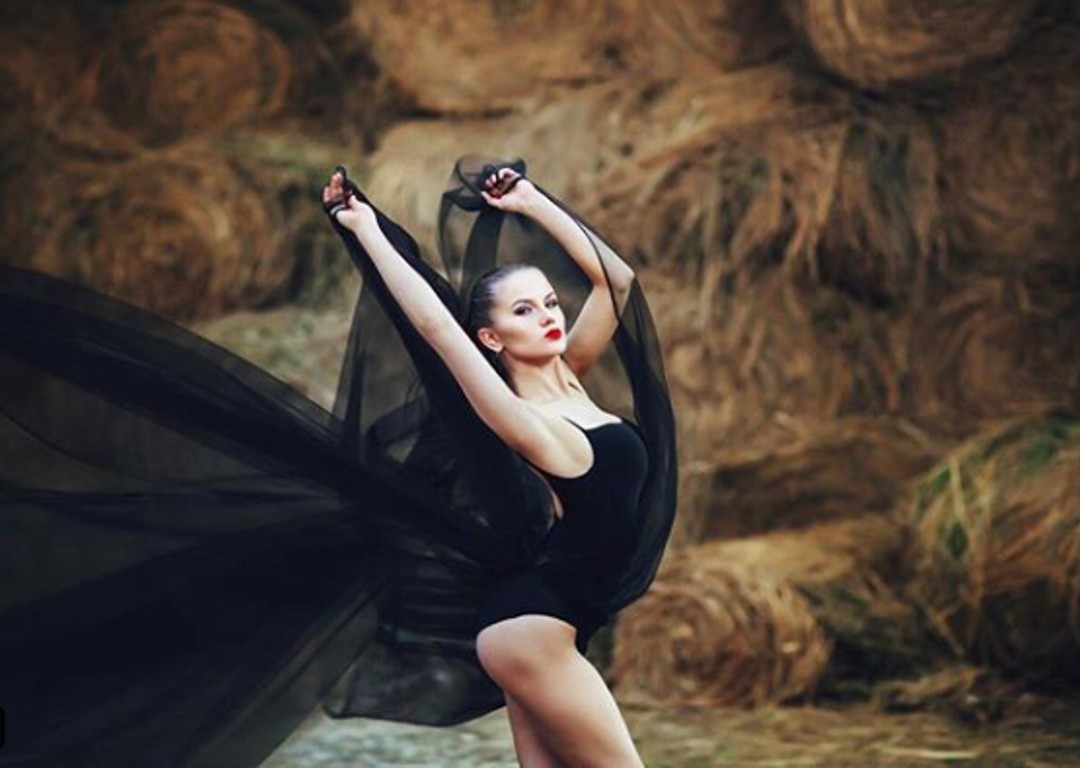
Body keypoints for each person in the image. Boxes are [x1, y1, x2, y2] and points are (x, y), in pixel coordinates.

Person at [0, 156, 676, 767]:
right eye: (523, 311)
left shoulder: (575, 378)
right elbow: (437, 330)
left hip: (539, 622)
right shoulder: (523, 418)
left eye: (550, 302)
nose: (548, 316)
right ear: (492, 337)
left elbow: (617, 282)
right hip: (535, 631)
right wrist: (366, 231)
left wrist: (530, 201)